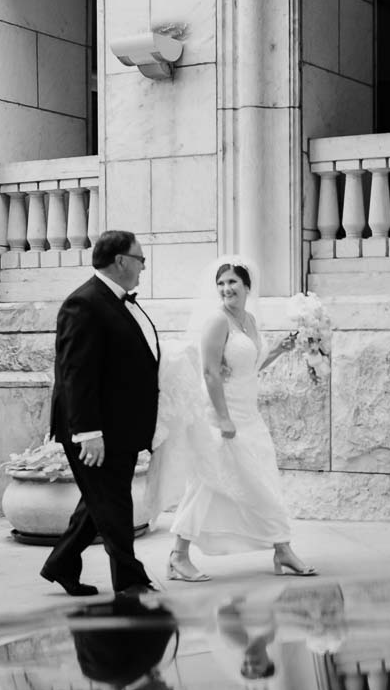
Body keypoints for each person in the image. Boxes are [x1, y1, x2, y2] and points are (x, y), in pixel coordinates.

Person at [144, 255, 316, 582]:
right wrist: (223, 419)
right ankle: (178, 557)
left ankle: (282, 549)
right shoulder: (217, 322)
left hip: (249, 414)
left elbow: (247, 367)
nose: (226, 289)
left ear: (247, 286)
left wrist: (277, 350)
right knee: (208, 484)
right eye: (221, 284)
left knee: (262, 479)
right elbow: (209, 373)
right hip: (221, 415)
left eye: (233, 282)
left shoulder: (248, 320)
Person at [40, 230, 160, 598]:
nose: (144, 266)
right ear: (121, 261)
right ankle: (131, 579)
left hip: (120, 426)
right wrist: (88, 431)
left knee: (98, 503)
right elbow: (76, 373)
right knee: (114, 504)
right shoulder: (85, 303)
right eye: (140, 259)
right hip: (96, 429)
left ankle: (61, 563)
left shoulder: (116, 301)